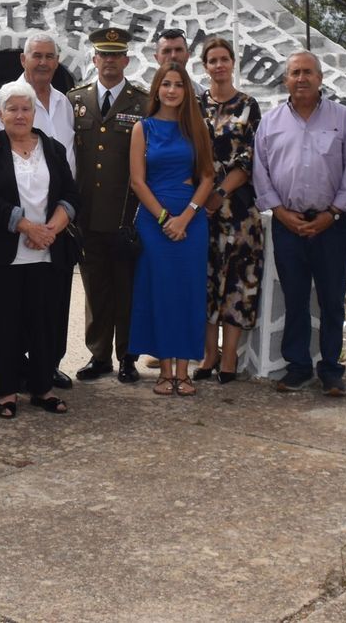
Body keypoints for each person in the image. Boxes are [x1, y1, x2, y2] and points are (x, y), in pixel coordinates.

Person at [253, 51, 346, 397]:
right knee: (296, 299)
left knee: (332, 300)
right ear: (286, 80)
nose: (301, 78)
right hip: (287, 224)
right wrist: (280, 213)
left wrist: (333, 213)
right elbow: (261, 173)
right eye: (295, 72)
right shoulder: (270, 122)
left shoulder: (342, 118)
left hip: (330, 225)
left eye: (308, 72)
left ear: (320, 78)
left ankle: (331, 369)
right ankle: (298, 367)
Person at [0, 80, 80, 419]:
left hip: (47, 251)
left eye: (25, 108)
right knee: (6, 324)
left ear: (34, 113)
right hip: (3, 252)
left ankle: (43, 389)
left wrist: (50, 230)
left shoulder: (54, 149)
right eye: (12, 109)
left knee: (44, 322)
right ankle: (6, 392)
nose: (19, 114)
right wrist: (25, 226)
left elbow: (71, 196)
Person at [67, 27, 149, 384]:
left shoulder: (143, 103)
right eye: (104, 55)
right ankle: (99, 356)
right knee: (95, 290)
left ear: (126, 60)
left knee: (126, 290)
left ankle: (128, 356)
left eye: (117, 55)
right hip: (87, 215)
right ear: (94, 59)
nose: (110, 61)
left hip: (126, 215)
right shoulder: (75, 101)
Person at [127, 63, 215, 395]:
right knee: (160, 293)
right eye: (166, 84)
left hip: (192, 221)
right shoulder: (143, 128)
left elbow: (207, 176)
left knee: (189, 293)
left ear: (186, 91)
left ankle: (184, 370)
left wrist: (186, 216)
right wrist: (165, 219)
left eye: (179, 84)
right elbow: (137, 181)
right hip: (154, 222)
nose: (172, 90)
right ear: (157, 89)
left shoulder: (197, 128)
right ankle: (165, 370)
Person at [195, 37, 265, 384]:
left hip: (238, 209)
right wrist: (203, 196)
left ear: (232, 63)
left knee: (238, 281)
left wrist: (219, 191)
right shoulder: (194, 105)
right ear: (205, 66)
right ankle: (209, 355)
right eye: (212, 60)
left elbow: (250, 157)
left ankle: (230, 359)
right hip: (201, 210)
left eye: (224, 59)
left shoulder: (250, 105)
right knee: (206, 280)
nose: (219, 65)